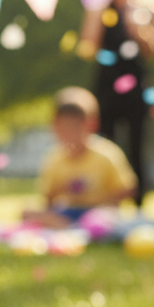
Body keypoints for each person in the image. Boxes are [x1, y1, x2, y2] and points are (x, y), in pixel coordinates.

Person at [81, 0, 154, 203]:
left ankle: (139, 202)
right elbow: (88, 46)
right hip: (107, 84)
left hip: (136, 84)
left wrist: (139, 29)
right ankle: (106, 200)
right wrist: (96, 17)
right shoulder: (99, 8)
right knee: (104, 142)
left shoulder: (150, 8)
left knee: (138, 145)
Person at [24, 87, 137, 229]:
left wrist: (97, 200)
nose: (68, 134)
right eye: (63, 128)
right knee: (28, 213)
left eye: (73, 127)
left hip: (100, 211)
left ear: (91, 125)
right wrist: (62, 189)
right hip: (67, 211)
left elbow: (128, 189)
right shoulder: (55, 157)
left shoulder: (106, 153)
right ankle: (73, 227)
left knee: (100, 218)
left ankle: (78, 227)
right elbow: (48, 199)